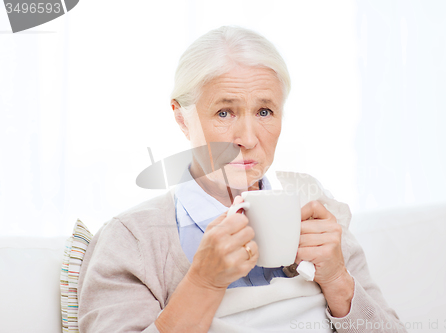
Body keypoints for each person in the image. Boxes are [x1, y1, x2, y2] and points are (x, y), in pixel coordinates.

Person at [78, 25, 407, 332]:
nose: (248, 139)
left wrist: (337, 279)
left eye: (264, 111)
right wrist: (203, 283)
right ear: (181, 118)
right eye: (224, 112)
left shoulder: (320, 219)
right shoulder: (131, 241)